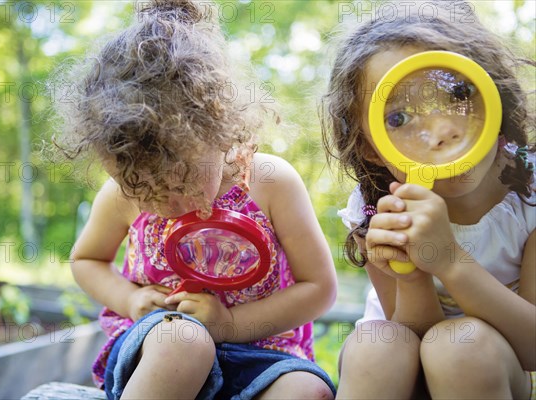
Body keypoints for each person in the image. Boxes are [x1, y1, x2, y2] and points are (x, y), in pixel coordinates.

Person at [51, 1, 337, 399]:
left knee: (307, 390)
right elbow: (86, 260)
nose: (165, 204)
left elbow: (319, 287)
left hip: (264, 352)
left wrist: (231, 326)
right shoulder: (121, 195)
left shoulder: (271, 182)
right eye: (142, 189)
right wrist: (129, 298)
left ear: (220, 131)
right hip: (161, 346)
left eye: (179, 182)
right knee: (184, 340)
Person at [321, 1, 535, 398]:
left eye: (457, 93)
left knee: (459, 348)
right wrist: (414, 273)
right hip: (401, 367)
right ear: (369, 146)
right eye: (398, 118)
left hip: (494, 367)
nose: (439, 133)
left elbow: (533, 350)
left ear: (493, 94)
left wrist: (449, 260)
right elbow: (409, 338)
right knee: (374, 348)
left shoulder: (529, 193)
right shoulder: (375, 206)